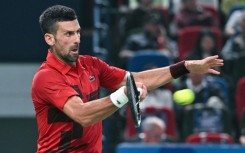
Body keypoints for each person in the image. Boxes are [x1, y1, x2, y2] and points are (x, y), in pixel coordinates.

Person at [31, 5, 223, 153]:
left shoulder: (91, 65)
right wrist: (124, 95)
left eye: (78, 32)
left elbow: (136, 79)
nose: (77, 39)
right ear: (50, 39)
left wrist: (185, 67)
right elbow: (82, 115)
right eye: (68, 34)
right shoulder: (46, 77)